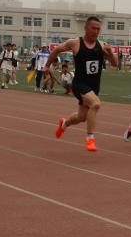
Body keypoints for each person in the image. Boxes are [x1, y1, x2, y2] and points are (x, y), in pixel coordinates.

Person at [48, 16, 118, 152]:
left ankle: (64, 124)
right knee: (96, 104)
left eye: (98, 29)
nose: (96, 31)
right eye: (93, 28)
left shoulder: (102, 45)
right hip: (79, 84)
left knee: (82, 117)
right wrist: (46, 65)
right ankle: (90, 138)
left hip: (94, 86)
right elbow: (56, 50)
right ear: (86, 28)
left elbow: (115, 64)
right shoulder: (75, 43)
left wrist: (110, 53)